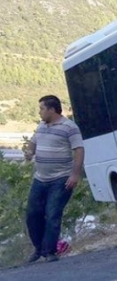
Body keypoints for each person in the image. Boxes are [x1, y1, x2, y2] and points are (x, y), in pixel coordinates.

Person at [24, 95, 84, 263]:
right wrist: (30, 152)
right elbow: (33, 142)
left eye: (42, 109)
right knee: (32, 214)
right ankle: (39, 248)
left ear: (51, 109)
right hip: (40, 178)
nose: (39, 112)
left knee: (52, 214)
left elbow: (79, 150)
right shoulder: (41, 125)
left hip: (61, 178)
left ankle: (50, 251)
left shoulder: (69, 127)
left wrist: (75, 174)